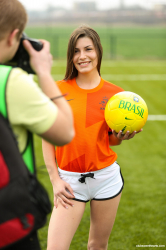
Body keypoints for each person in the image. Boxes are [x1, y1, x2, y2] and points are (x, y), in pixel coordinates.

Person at [42, 26, 142, 250]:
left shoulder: (117, 95)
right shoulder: (57, 90)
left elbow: (107, 140)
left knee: (98, 246)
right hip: (69, 182)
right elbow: (47, 137)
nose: (82, 56)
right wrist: (55, 179)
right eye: (76, 51)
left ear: (98, 51)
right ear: (71, 56)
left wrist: (121, 137)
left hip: (105, 179)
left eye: (88, 49)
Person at [0, 0, 75, 249]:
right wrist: (43, 72)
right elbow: (65, 132)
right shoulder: (11, 81)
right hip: (8, 216)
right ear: (13, 37)